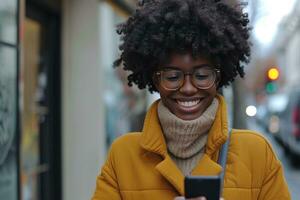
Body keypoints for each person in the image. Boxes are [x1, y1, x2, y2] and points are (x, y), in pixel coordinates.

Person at [92, 0, 291, 199]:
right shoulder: (123, 156)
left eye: (202, 76)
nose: (188, 88)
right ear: (156, 79)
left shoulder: (257, 154)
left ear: (218, 78)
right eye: (172, 77)